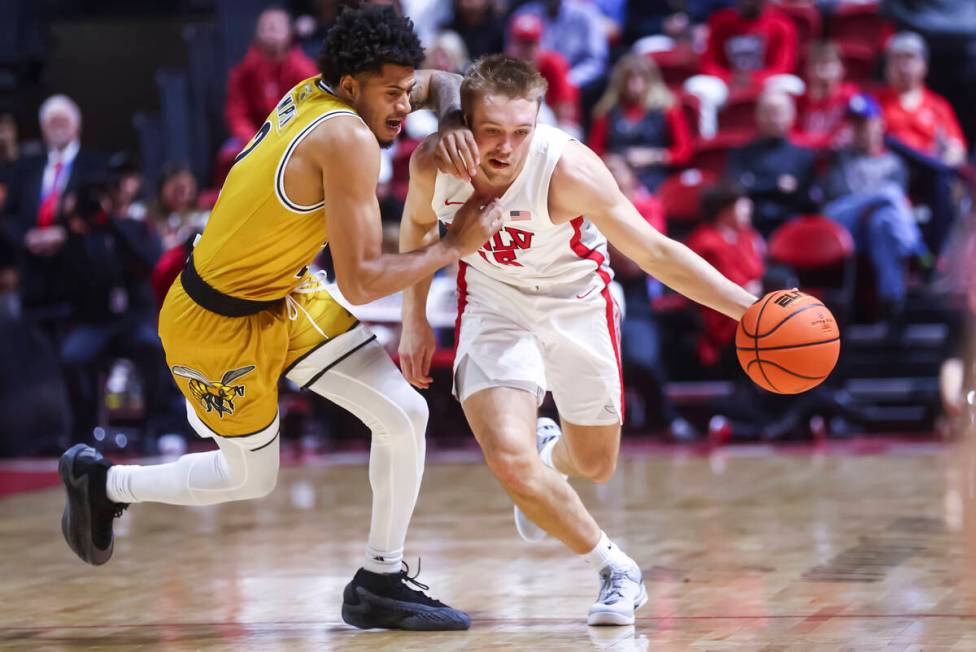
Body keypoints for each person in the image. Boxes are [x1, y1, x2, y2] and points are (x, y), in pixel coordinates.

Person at [58, 6, 502, 632]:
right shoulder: (346, 137)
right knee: (250, 478)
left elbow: (438, 81)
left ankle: (380, 578)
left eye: (406, 92)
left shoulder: (321, 89)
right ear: (351, 87)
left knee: (406, 413)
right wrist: (453, 246)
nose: (406, 107)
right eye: (393, 94)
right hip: (213, 320)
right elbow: (361, 278)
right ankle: (103, 484)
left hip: (283, 293)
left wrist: (452, 115)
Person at [399, 55, 757, 624]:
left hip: (576, 302)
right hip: (493, 301)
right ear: (463, 121)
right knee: (508, 460)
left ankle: (552, 455)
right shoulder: (433, 164)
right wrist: (414, 316)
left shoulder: (570, 170)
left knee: (595, 464)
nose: (506, 147)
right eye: (491, 131)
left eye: (521, 131)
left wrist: (749, 309)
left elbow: (656, 251)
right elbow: (417, 226)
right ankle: (616, 569)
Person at [818, 93, 925, 318]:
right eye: (854, 124)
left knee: (883, 221)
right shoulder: (839, 157)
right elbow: (834, 201)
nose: (859, 129)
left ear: (879, 125)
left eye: (864, 123)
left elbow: (894, 212)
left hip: (876, 230)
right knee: (889, 195)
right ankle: (919, 250)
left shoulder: (893, 163)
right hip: (842, 223)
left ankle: (891, 300)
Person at [875, 31, 967, 255]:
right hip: (888, 172)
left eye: (910, 58)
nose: (904, 66)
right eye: (897, 59)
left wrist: (949, 156)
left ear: (923, 66)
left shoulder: (937, 106)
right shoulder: (877, 101)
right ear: (888, 66)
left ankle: (933, 257)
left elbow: (957, 148)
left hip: (928, 175)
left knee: (942, 179)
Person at [686, 183, 766, 369]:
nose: (749, 209)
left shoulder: (748, 236)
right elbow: (724, 285)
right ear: (725, 210)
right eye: (742, 205)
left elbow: (758, 273)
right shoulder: (705, 242)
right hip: (723, 316)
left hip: (753, 306)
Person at [589, 53, 693, 191]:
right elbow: (594, 151)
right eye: (629, 80)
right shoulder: (606, 111)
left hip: (655, 177)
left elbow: (684, 151)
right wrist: (610, 159)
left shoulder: (668, 109)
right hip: (616, 177)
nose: (634, 86)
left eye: (640, 79)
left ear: (651, 80)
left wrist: (654, 156)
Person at [726, 90, 817, 236]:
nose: (773, 119)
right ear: (756, 115)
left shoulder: (803, 156)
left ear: (791, 116)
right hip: (752, 223)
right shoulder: (741, 153)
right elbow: (736, 188)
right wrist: (776, 185)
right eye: (767, 112)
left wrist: (755, 184)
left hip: (791, 225)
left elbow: (805, 198)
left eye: (778, 113)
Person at [795, 41, 859, 151]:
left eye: (829, 63)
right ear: (807, 70)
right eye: (817, 63)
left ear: (842, 69)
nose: (823, 70)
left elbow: (848, 134)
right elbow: (794, 139)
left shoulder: (850, 96)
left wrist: (816, 141)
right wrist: (828, 141)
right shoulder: (798, 100)